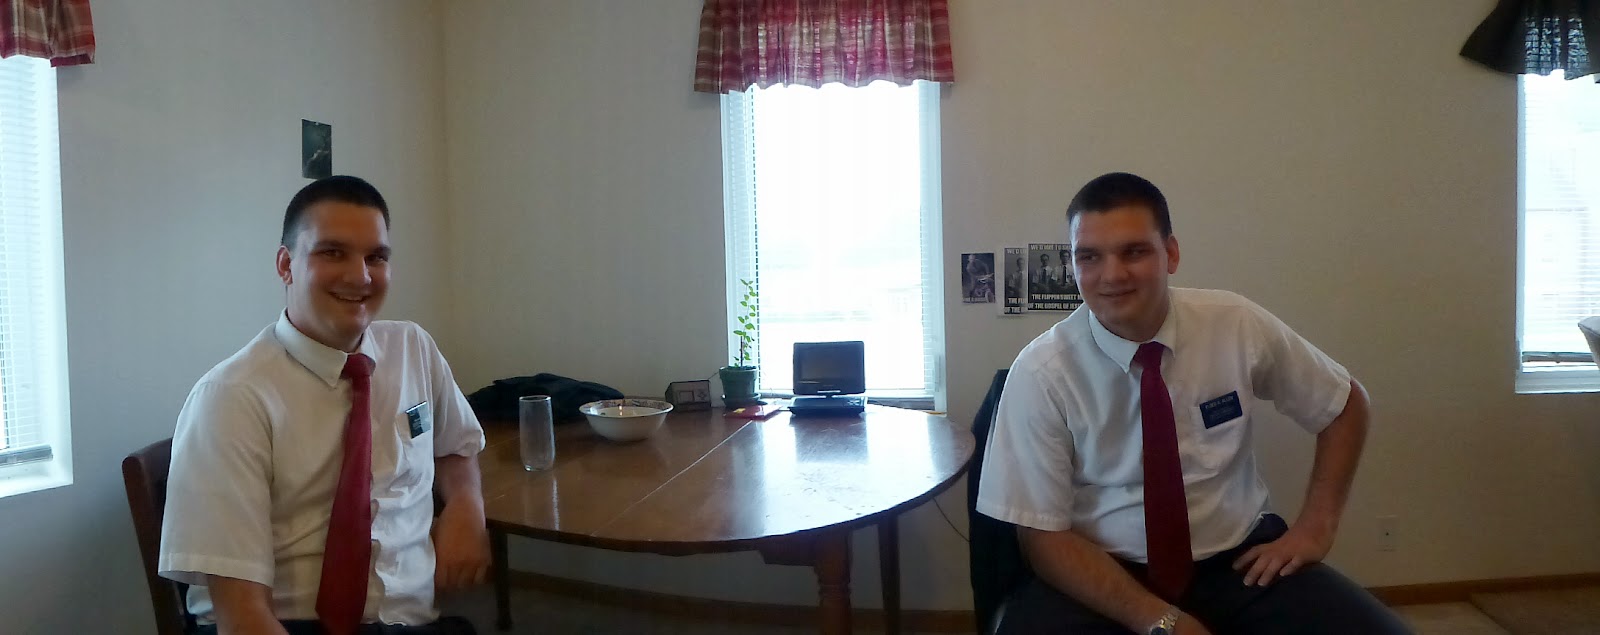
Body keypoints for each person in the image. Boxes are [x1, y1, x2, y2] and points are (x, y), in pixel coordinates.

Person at [977, 172, 1407, 635]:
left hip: (1237, 561)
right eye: (1090, 257)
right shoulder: (1041, 372)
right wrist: (1165, 622)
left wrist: (1315, 528)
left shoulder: (1234, 324)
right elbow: (1042, 537)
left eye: (1134, 252)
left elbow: (1344, 404)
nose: (1112, 275)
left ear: (1172, 254)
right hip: (1104, 571)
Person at [159, 176, 488, 635]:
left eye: (376, 257)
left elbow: (456, 445)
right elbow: (242, 618)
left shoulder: (413, 349)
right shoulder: (232, 398)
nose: (361, 276)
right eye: (333, 253)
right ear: (286, 265)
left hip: (411, 621)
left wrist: (466, 506)